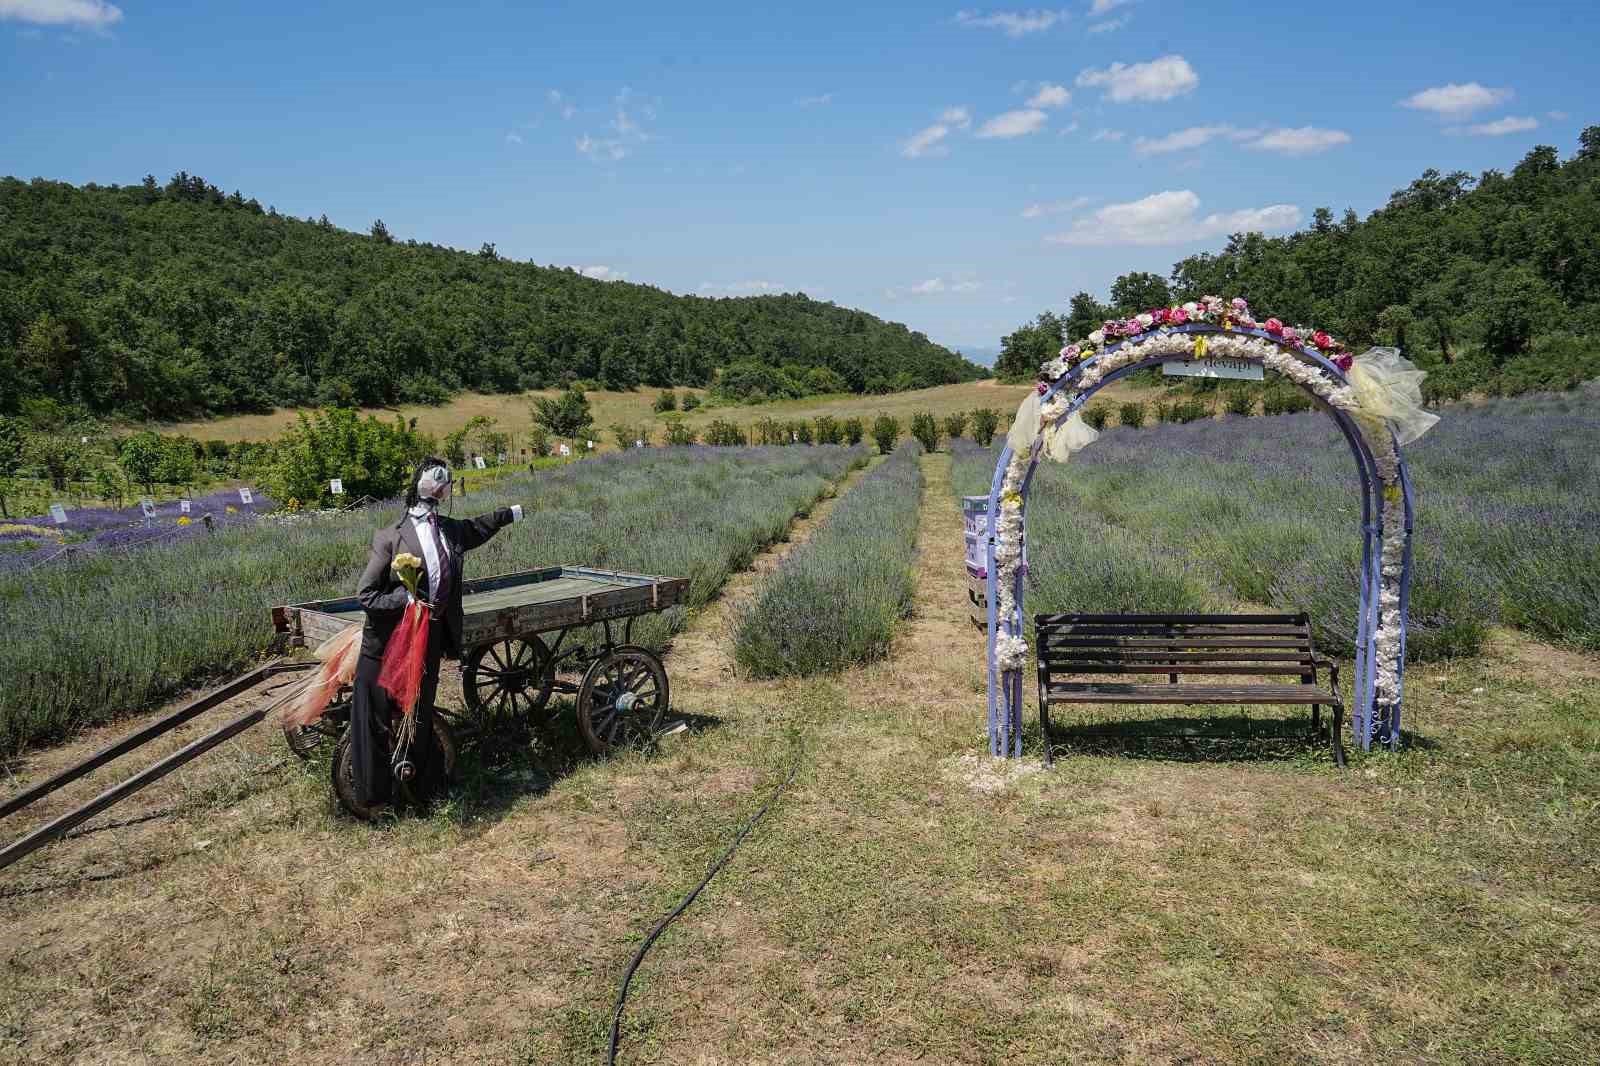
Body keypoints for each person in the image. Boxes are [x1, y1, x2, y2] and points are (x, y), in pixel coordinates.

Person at [350, 457, 522, 814]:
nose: (446, 486)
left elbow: (477, 527)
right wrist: (406, 599)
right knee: (378, 716)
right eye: (441, 481)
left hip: (426, 641)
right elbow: (366, 595)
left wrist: (510, 513)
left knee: (420, 712)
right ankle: (376, 796)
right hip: (386, 645)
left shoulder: (447, 529)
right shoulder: (390, 538)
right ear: (425, 484)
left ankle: (420, 786)